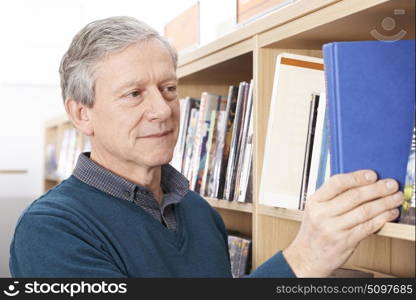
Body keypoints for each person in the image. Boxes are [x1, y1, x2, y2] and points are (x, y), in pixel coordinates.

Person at [9, 16, 403, 278]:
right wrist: (303, 258)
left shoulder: (199, 213)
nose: (162, 110)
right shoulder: (51, 230)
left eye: (168, 89)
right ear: (82, 114)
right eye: (133, 94)